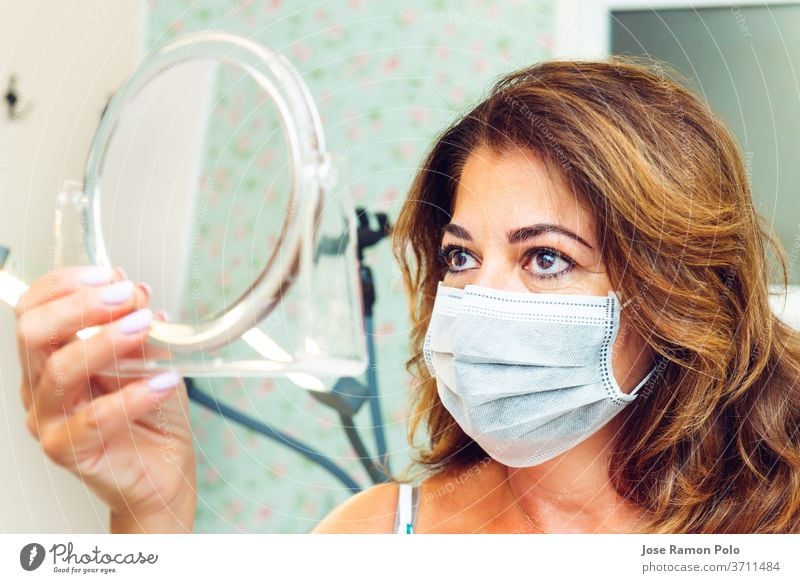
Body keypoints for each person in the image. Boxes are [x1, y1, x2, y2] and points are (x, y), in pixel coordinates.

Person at [16, 58, 800, 534]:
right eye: (461, 255)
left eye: (547, 259)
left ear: (673, 298)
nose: (476, 299)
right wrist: (153, 513)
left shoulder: (769, 527)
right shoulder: (374, 538)